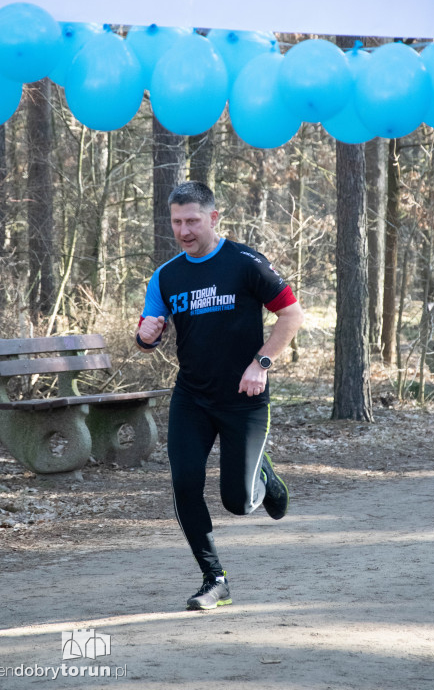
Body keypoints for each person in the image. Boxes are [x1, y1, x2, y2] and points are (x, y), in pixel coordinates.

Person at [136, 181, 304, 610]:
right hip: (192, 397)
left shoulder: (245, 263)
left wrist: (261, 364)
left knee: (238, 502)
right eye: (176, 222)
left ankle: (264, 477)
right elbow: (148, 329)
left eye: (192, 220)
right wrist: (146, 334)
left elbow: (291, 314)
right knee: (184, 484)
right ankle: (215, 579)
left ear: (213, 218)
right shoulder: (166, 275)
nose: (184, 230)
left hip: (244, 398)